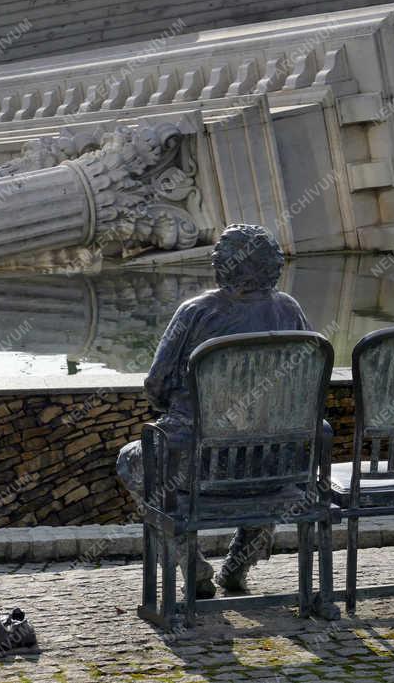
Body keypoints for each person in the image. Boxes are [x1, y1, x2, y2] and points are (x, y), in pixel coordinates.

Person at [116, 224, 311, 598]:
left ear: (222, 265)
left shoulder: (196, 312)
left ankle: (192, 563)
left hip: (202, 465)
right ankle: (239, 564)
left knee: (133, 461)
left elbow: (156, 384)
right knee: (266, 447)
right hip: (276, 466)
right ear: (274, 267)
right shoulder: (290, 310)